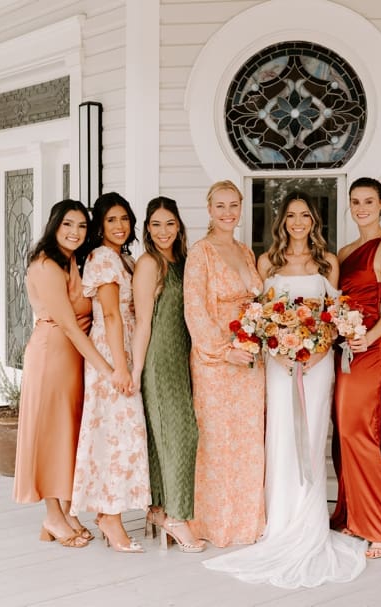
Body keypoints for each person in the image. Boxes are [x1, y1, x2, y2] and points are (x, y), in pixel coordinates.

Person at [204, 193, 367, 587]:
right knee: (279, 436)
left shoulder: (327, 263)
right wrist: (278, 353)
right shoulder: (268, 263)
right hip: (278, 366)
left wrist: (316, 352)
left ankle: (308, 523)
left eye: (305, 215)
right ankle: (279, 522)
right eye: (291, 215)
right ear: (282, 221)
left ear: (314, 221)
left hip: (317, 364)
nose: (298, 222)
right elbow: (259, 318)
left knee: (309, 439)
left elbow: (335, 316)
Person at [183, 180, 267, 547]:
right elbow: (194, 309)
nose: (228, 212)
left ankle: (247, 523)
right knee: (217, 442)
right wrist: (222, 350)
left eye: (233, 205)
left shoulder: (246, 252)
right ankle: (216, 524)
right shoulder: (200, 252)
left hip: (250, 360)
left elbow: (256, 305)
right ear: (209, 208)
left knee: (248, 442)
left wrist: (256, 341)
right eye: (220, 205)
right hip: (215, 362)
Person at [14, 199, 101, 549]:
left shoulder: (73, 261)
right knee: (52, 433)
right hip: (53, 354)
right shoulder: (46, 264)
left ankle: (66, 513)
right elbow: (68, 324)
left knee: (70, 433)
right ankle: (52, 514)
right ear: (54, 225)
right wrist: (107, 367)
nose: (75, 232)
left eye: (81, 226)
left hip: (72, 357)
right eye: (68, 224)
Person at [70, 193, 152, 552]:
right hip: (111, 349)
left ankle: (110, 515)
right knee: (115, 438)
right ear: (100, 227)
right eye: (111, 220)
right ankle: (110, 518)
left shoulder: (124, 258)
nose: (120, 226)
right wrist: (120, 366)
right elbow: (112, 314)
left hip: (124, 346)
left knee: (122, 437)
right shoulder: (103, 258)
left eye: (124, 219)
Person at [331, 177, 381, 558]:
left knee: (359, 431)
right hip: (344, 349)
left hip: (370, 349)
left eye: (369, 201)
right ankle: (354, 513)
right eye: (356, 201)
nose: (362, 207)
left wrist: (370, 336)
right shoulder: (345, 251)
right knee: (344, 432)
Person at [131, 196, 204, 552]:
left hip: (184, 357)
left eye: (169, 224)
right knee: (181, 435)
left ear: (179, 226)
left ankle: (158, 509)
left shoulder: (184, 261)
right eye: (156, 225)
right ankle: (176, 516)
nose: (163, 232)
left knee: (166, 438)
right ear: (147, 228)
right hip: (160, 360)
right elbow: (143, 321)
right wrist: (137, 370)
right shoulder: (150, 264)